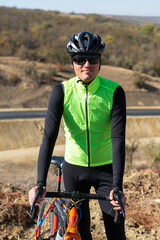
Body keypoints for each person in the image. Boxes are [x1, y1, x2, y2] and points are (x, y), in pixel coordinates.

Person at [29, 31, 127, 240]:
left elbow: (118, 139)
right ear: (72, 62)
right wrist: (39, 184)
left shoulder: (114, 91)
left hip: (106, 169)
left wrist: (117, 186)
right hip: (74, 168)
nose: (86, 64)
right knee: (78, 233)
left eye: (93, 59)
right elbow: (49, 137)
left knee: (116, 231)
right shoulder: (61, 91)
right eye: (79, 59)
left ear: (100, 62)